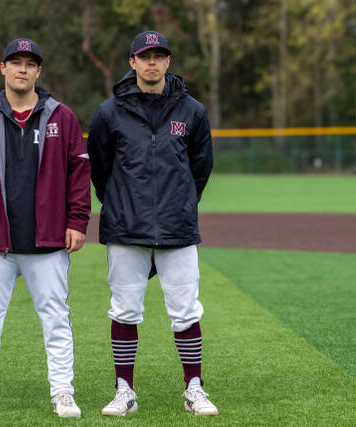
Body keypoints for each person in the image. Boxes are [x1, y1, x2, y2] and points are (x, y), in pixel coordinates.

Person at [0, 38, 91, 419]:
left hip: (48, 242)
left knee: (56, 319)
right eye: (15, 62)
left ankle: (63, 391)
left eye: (30, 63)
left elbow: (79, 174)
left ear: (39, 71)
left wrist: (78, 221)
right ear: (3, 68)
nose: (22, 69)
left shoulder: (63, 117)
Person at [87, 30, 218, 417]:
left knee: (185, 311)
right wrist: (121, 205)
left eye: (159, 56)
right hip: (126, 228)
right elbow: (100, 169)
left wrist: (178, 204)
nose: (152, 62)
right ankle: (124, 390)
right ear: (131, 62)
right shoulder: (109, 111)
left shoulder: (191, 110)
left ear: (168, 62)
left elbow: (201, 167)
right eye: (144, 56)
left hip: (177, 229)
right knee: (124, 310)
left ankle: (194, 387)